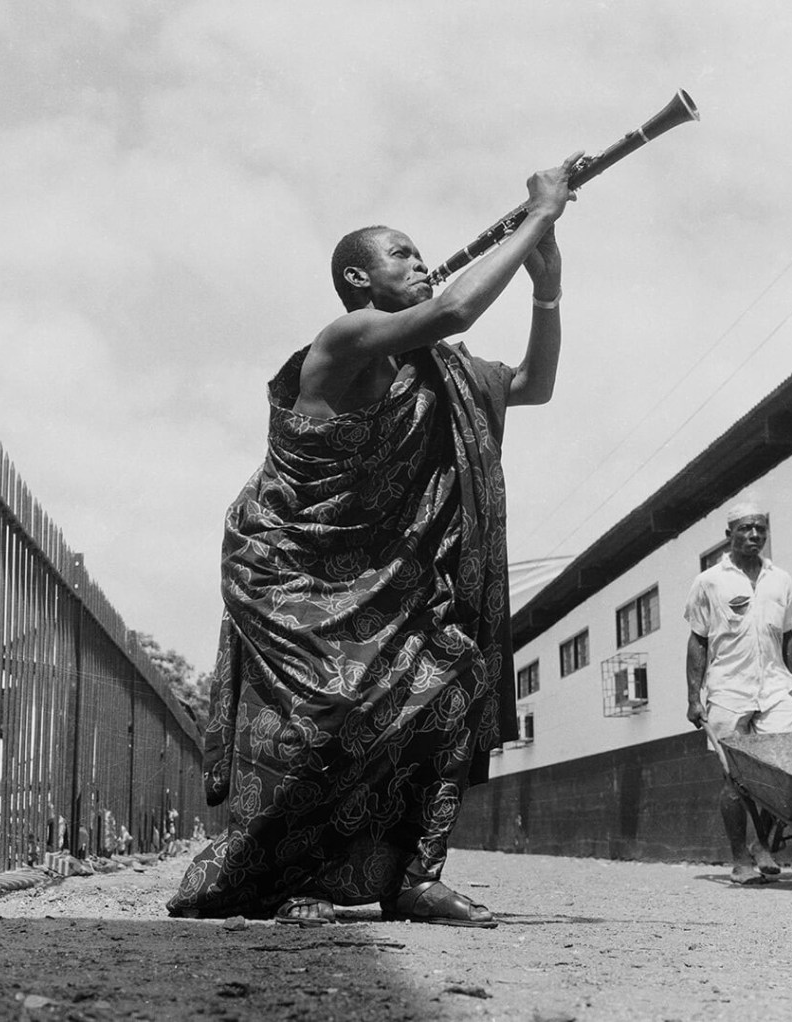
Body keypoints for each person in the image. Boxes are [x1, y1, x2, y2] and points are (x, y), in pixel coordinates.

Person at [167, 154, 580, 925]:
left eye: (423, 255)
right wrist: (540, 215)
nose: (421, 264)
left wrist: (546, 286)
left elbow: (534, 384)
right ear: (359, 279)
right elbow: (456, 310)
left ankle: (416, 878)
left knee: (453, 680)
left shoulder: (435, 372)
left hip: (381, 576)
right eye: (402, 254)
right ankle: (277, 880)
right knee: (325, 717)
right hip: (288, 568)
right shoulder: (347, 336)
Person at [684, 500, 792, 885]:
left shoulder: (780, 579)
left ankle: (762, 843)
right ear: (729, 535)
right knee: (734, 778)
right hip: (728, 689)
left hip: (775, 686)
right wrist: (693, 697)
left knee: (785, 771)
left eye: (760, 529)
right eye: (746, 529)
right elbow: (697, 641)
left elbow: (787, 636)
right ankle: (741, 859)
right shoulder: (709, 581)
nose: (754, 535)